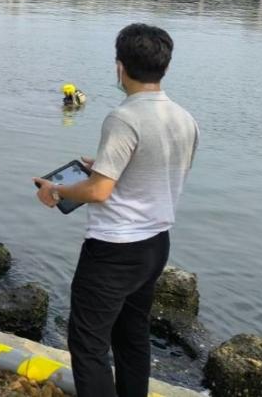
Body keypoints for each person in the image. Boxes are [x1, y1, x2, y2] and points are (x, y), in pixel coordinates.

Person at [32, 23, 199, 397]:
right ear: (165, 67)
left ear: (119, 67)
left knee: (88, 346)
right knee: (132, 337)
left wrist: (57, 190)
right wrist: (108, 165)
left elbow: (99, 190)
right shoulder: (185, 118)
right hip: (156, 244)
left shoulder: (123, 117)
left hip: (114, 249)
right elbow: (161, 170)